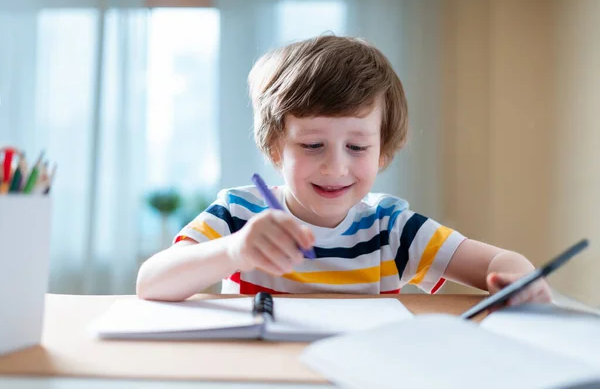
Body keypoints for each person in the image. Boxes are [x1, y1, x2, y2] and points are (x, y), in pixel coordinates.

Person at [136, 35, 552, 305]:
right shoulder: (239, 214)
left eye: (357, 147)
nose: (335, 166)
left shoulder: (392, 228)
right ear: (276, 147)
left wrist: (521, 278)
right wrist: (234, 251)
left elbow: (497, 261)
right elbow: (151, 283)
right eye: (312, 145)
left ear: (382, 152)